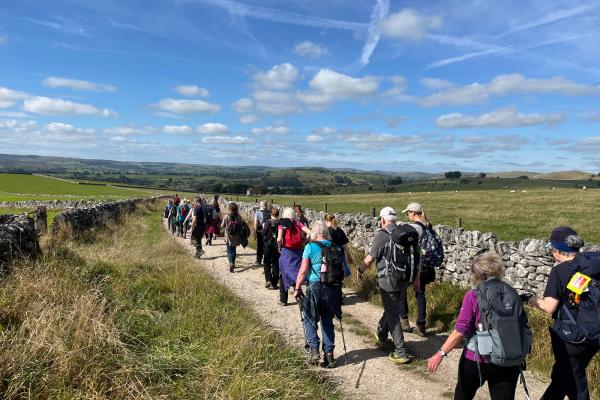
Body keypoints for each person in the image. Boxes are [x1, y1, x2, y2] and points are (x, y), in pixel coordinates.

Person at [427, 253, 524, 400]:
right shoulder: (512, 293)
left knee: (463, 395)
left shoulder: (473, 295)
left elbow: (460, 330)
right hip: (508, 358)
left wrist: (440, 354)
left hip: (477, 358)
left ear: (476, 274)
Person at [524, 226, 600, 400]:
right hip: (595, 333)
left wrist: (530, 299)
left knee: (575, 384)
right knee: (562, 376)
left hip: (571, 337)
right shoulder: (593, 264)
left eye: (551, 248)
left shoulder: (560, 271)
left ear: (558, 250)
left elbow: (549, 307)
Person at [357, 206, 420, 364]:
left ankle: (401, 351)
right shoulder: (405, 233)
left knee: (393, 314)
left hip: (388, 279)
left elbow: (370, 259)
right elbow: (418, 256)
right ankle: (382, 333)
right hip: (404, 278)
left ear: (382, 220)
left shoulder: (382, 235)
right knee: (394, 307)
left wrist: (360, 270)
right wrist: (416, 278)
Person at [294, 220, 342, 368]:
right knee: (327, 320)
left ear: (313, 233)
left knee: (309, 318)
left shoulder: (309, 247)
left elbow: (303, 271)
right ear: (326, 233)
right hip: (332, 288)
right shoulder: (336, 247)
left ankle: (314, 351)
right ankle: (329, 355)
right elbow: (344, 271)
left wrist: (297, 288)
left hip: (314, 286)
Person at [401, 202, 443, 337]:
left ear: (413, 213)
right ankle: (421, 325)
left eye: (408, 213)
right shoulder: (429, 227)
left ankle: (404, 322)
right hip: (427, 267)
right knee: (420, 294)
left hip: (414, 266)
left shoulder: (414, 229)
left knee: (401, 290)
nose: (408, 216)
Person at [277, 207, 311, 306]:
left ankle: (284, 299)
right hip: (298, 251)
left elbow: (279, 239)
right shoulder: (298, 223)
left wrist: (279, 247)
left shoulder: (282, 223)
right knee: (297, 272)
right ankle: (299, 293)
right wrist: (304, 242)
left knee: (284, 273)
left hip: (287, 251)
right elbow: (309, 232)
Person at [221, 202, 250, 273]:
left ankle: (231, 263)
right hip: (237, 236)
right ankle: (233, 263)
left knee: (229, 250)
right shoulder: (239, 217)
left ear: (229, 208)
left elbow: (222, 226)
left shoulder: (226, 216)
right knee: (233, 249)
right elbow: (241, 225)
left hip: (228, 236)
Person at [325, 213, 354, 277]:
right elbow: (345, 245)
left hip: (330, 257)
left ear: (326, 221)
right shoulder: (340, 230)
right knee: (341, 274)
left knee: (331, 275)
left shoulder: (327, 231)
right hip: (340, 255)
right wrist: (350, 256)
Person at [262, 208, 281, 289]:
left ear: (271, 214)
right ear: (278, 214)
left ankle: (268, 279)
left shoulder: (268, 222)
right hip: (277, 245)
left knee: (266, 262)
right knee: (275, 263)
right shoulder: (280, 223)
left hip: (268, 244)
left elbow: (264, 232)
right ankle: (274, 283)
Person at [253, 201, 270, 266]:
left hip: (260, 232)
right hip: (268, 232)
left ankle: (258, 260)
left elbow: (255, 224)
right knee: (266, 246)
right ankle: (266, 260)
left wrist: (254, 233)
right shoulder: (269, 213)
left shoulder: (257, 213)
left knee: (259, 246)